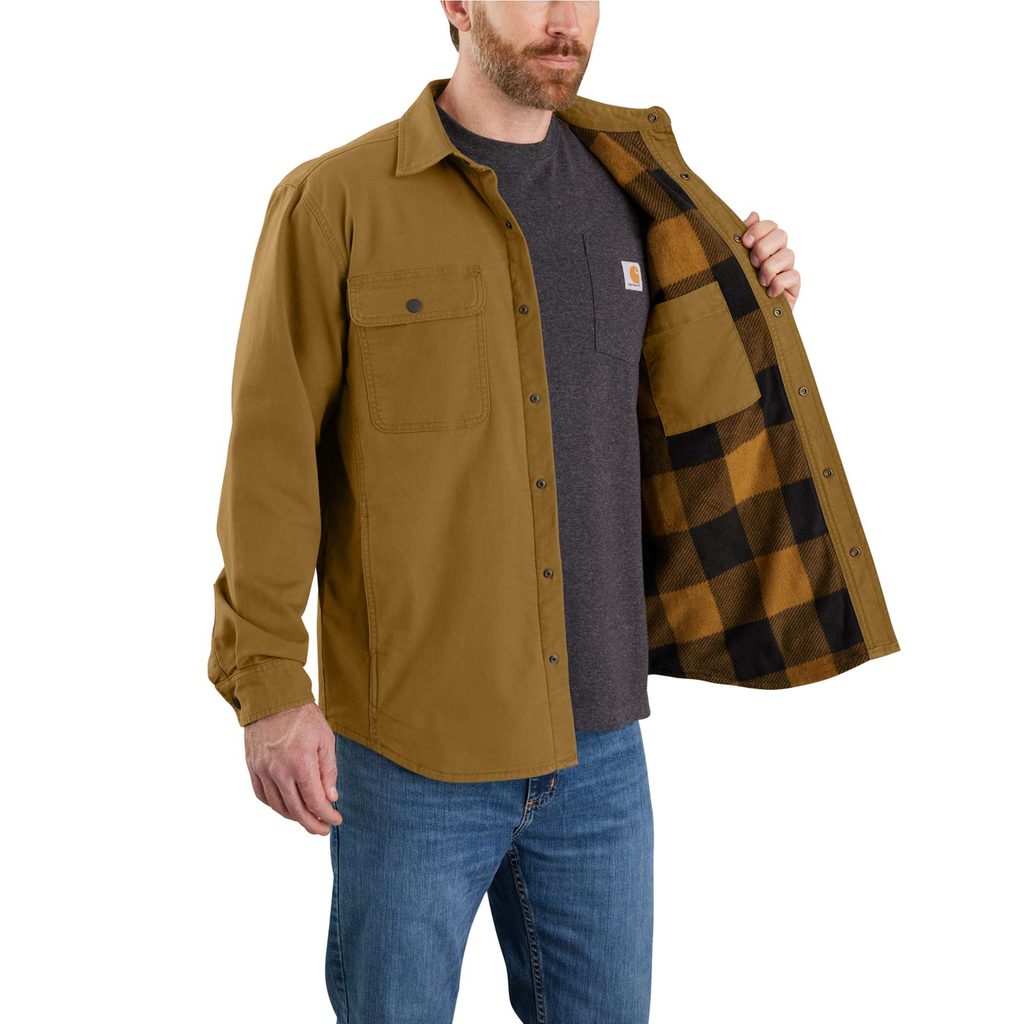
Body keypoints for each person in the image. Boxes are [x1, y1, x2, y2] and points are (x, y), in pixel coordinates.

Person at [207, 3, 894, 1022]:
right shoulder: (334, 201)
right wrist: (267, 688)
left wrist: (754, 292)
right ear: (457, 5)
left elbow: (688, 416)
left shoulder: (641, 194)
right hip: (411, 750)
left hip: (601, 752)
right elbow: (272, 463)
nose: (564, 18)